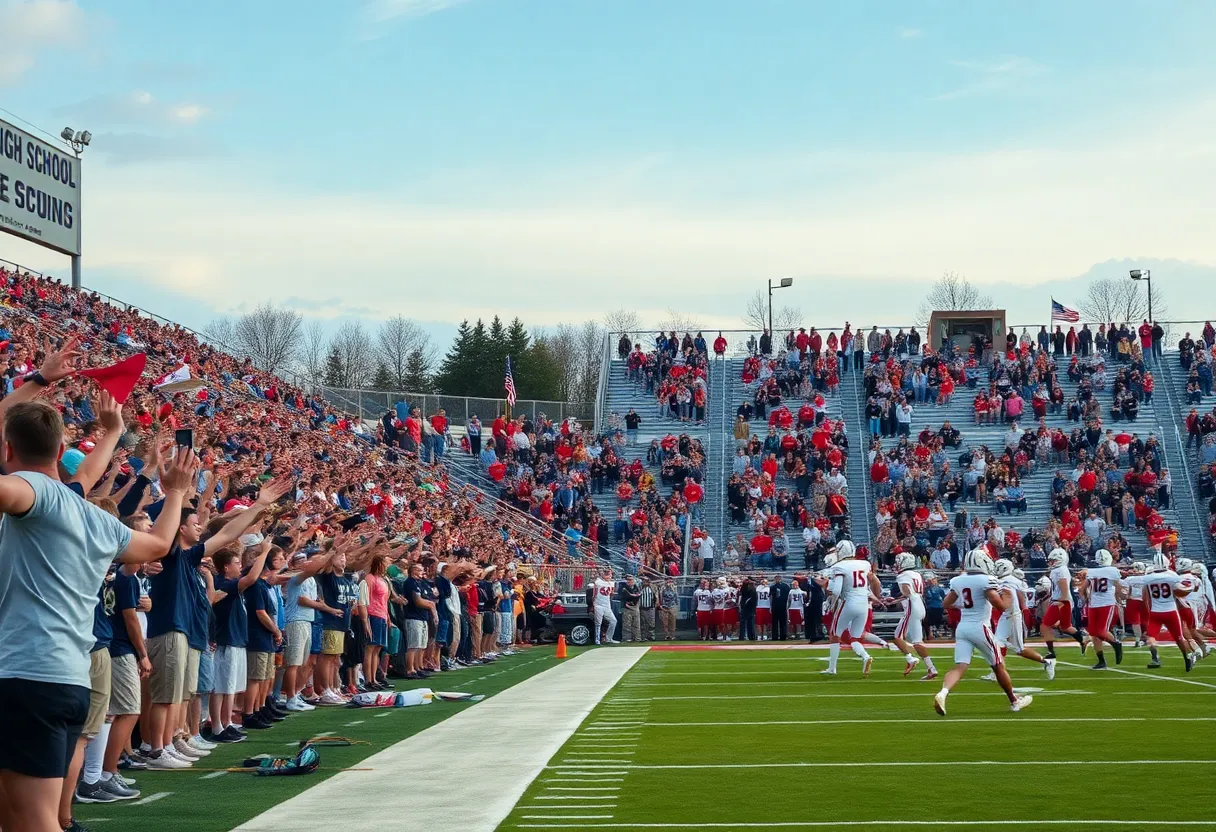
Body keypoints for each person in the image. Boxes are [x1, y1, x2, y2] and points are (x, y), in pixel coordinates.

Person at [0, 345, 202, 832]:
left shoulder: (30, 494)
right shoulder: (88, 512)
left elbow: (47, 483)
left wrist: (39, 381)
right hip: (67, 678)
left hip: (28, 677)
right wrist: (174, 489)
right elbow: (157, 543)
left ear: (8, 452)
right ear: (59, 453)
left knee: (31, 822)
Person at [933, 550, 1033, 716]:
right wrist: (1008, 598)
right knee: (998, 665)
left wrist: (963, 604)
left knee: (960, 665)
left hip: (963, 628)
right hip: (980, 627)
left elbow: (946, 603)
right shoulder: (986, 580)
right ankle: (1014, 701)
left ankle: (943, 693)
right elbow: (999, 605)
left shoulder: (958, 580)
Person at [987, 559, 1055, 681]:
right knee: (996, 644)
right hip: (1007, 615)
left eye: (998, 567)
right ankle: (996, 673)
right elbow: (1019, 594)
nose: (996, 569)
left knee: (1019, 649)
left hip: (1012, 615)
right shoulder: (1011, 580)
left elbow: (1010, 595)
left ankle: (1047, 662)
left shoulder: (1006, 580)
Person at [821, 542, 882, 676]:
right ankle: (865, 656)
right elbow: (872, 581)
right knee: (855, 637)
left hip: (848, 603)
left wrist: (832, 603)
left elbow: (837, 590)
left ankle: (832, 668)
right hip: (863, 604)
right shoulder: (864, 564)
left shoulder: (839, 566)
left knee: (834, 635)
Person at [1141, 553, 1195, 671]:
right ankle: (1187, 658)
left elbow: (1145, 596)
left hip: (1155, 612)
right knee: (1179, 638)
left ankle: (1155, 658)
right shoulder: (1172, 575)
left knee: (1151, 637)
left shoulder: (1147, 578)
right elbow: (1184, 587)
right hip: (1171, 611)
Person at [890, 554, 936, 680]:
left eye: (898, 561)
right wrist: (894, 600)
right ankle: (929, 667)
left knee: (899, 637)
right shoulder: (916, 574)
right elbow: (914, 592)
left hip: (912, 607)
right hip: (920, 604)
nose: (896, 564)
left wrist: (895, 600)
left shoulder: (903, 576)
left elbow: (907, 592)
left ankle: (913, 660)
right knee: (912, 640)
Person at [1082, 549, 1126, 669]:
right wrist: (1120, 597)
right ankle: (1102, 660)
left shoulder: (1091, 571)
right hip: (1104, 602)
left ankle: (1115, 645)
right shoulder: (1112, 570)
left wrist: (1086, 599)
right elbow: (1118, 586)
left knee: (1098, 632)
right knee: (1095, 633)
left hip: (1099, 604)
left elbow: (1082, 589)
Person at [1041, 548, 1086, 659]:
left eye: (1053, 560)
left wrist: (1059, 603)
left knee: (1045, 626)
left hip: (1061, 601)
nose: (1051, 563)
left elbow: (1064, 591)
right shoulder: (1060, 569)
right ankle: (1083, 640)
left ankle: (1051, 652)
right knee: (1065, 627)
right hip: (1063, 601)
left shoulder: (1059, 571)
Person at [592, 570, 618, 645]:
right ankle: (597, 640)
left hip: (607, 605)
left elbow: (611, 594)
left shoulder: (611, 583)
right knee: (598, 623)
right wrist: (594, 604)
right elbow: (594, 594)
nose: (609, 576)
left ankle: (608, 638)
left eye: (610, 575)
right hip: (598, 605)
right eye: (608, 574)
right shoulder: (598, 582)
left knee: (613, 621)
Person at [619, 575, 642, 642]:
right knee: (626, 624)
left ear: (634, 580)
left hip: (635, 607)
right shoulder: (623, 588)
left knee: (636, 624)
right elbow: (621, 597)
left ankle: (637, 638)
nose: (629, 581)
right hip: (627, 608)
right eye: (628, 580)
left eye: (630, 580)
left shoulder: (637, 587)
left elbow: (638, 596)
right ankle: (626, 638)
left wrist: (631, 596)